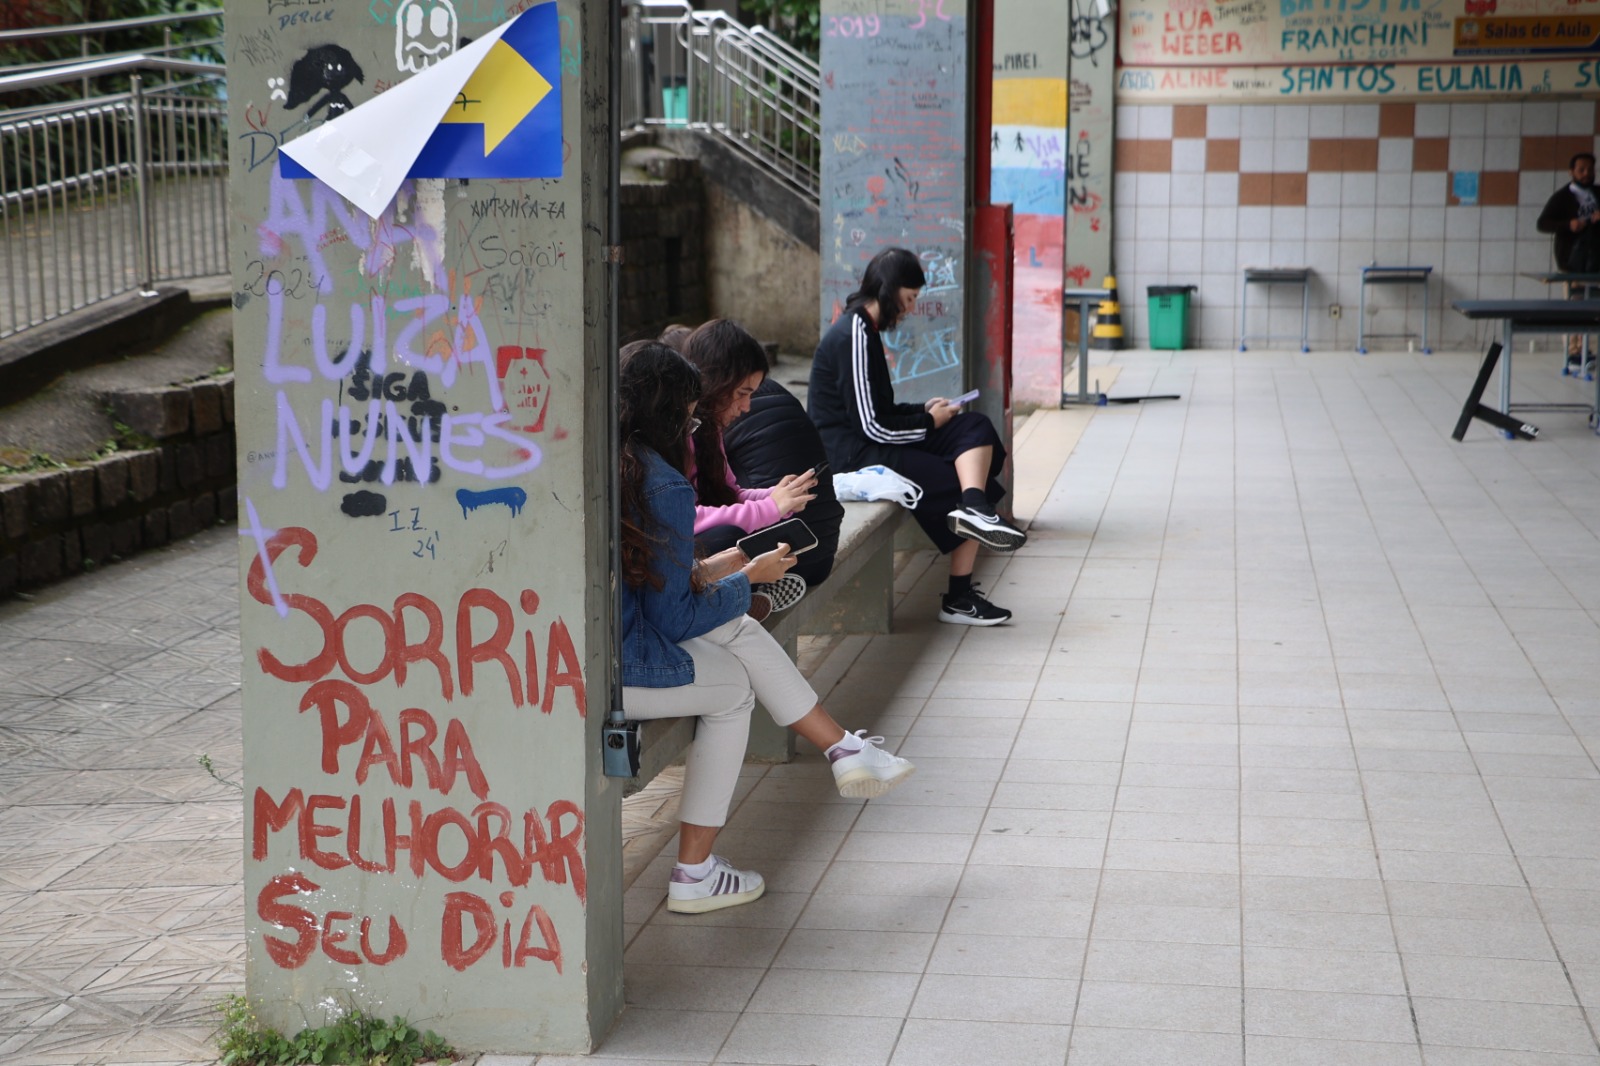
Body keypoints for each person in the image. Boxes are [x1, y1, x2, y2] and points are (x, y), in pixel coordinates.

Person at [618, 342, 915, 914]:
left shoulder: (617, 461)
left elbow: (660, 587)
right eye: (689, 412)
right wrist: (747, 577)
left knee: (735, 637)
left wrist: (735, 568)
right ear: (667, 412)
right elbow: (673, 614)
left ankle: (843, 751)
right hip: (621, 664)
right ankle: (694, 871)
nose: (694, 424)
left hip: (594, 645)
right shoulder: (662, 482)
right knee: (733, 688)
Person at [809, 247, 1025, 626]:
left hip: (874, 439)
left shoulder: (868, 331)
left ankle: (975, 507)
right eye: (908, 299)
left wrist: (923, 411)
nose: (909, 310)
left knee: (975, 428)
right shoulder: (854, 335)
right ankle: (959, 597)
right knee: (949, 479)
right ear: (890, 290)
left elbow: (882, 409)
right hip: (853, 454)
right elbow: (870, 425)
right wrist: (928, 425)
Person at [681, 319, 839, 588]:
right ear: (714, 383)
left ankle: (753, 591)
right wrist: (770, 507)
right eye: (742, 393)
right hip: (680, 552)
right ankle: (749, 593)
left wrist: (778, 496)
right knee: (727, 537)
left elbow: (729, 493)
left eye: (751, 394)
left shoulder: (710, 429)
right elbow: (686, 517)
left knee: (768, 531)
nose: (746, 406)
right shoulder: (677, 433)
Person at [723, 374, 844, 589]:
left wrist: (772, 505)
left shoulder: (719, 410)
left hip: (771, 560)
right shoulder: (777, 390)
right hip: (823, 552)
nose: (744, 406)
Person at [1536, 152, 1600, 369]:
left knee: (1592, 306)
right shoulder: (1562, 197)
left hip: (1595, 261)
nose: (1586, 174)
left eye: (1590, 170)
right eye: (1581, 170)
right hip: (1572, 261)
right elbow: (1543, 223)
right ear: (1571, 172)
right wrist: (1568, 225)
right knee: (1575, 305)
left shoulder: (1597, 193)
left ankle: (1586, 350)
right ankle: (1573, 352)